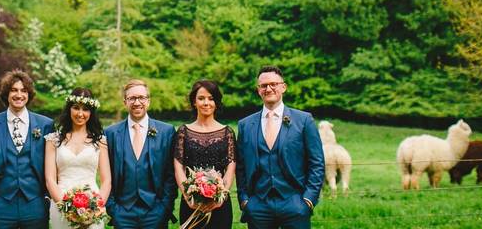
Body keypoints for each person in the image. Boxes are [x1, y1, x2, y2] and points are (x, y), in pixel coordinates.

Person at [235, 66, 324, 229]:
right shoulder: (245, 125)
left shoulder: (303, 120)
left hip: (295, 204)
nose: (268, 88)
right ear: (258, 90)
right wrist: (245, 200)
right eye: (263, 86)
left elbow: (317, 162)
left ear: (283, 87)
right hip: (258, 206)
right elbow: (240, 165)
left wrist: (308, 199)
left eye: (273, 84)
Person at [0, 69, 54, 229]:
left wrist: (47, 198)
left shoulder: (45, 124)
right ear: (6, 94)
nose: (19, 95)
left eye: (23, 90)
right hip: (2, 203)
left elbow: (53, 163)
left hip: (35, 202)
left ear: (29, 94)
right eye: (14, 90)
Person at [103, 79, 177, 229]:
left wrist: (164, 207)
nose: (137, 102)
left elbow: (171, 173)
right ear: (125, 102)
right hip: (122, 212)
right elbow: (106, 173)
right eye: (132, 98)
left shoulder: (166, 131)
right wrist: (113, 209)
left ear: (148, 101)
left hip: (156, 211)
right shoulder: (110, 133)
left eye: (141, 97)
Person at [44, 88, 112, 229]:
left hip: (92, 205)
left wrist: (94, 209)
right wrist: (66, 208)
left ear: (91, 113)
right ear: (69, 109)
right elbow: (50, 179)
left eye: (85, 109)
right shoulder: (53, 140)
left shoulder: (100, 141)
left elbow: (107, 181)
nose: (80, 114)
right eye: (76, 108)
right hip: (61, 204)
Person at [173, 80, 236, 229]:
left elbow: (230, 169)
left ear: (216, 102)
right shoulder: (184, 132)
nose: (206, 103)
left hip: (220, 205)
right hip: (191, 204)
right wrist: (189, 198)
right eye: (201, 98)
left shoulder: (227, 133)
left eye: (211, 98)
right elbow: (178, 167)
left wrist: (220, 198)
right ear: (194, 102)